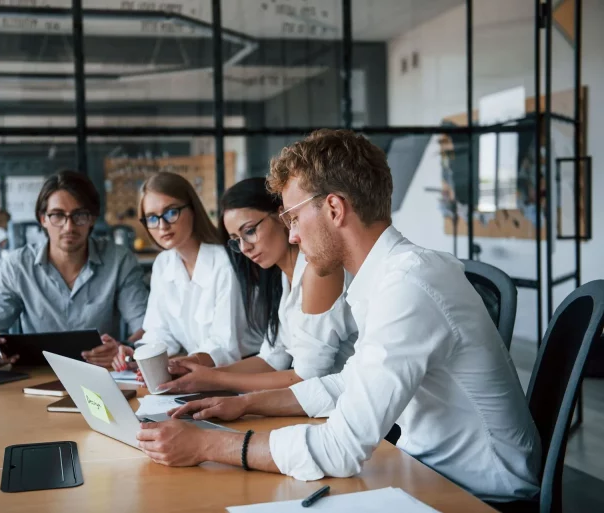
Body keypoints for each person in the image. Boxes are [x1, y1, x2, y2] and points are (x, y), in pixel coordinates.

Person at [135, 130, 541, 503]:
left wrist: (206, 446)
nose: (292, 234)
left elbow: (342, 447)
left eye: (293, 217)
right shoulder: (388, 277)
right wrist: (247, 403)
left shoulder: (409, 286)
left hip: (480, 494)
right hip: (429, 471)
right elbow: (351, 382)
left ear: (333, 208)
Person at [156, 177, 357, 394]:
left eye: (250, 231)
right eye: (236, 239)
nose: (245, 248)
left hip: (352, 409)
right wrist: (197, 371)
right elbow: (273, 358)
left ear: (283, 217)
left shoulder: (318, 271)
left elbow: (306, 378)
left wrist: (214, 379)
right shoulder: (283, 280)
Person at [0, 170, 149, 368]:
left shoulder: (118, 260)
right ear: (42, 218)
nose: (68, 226)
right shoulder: (18, 266)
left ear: (92, 218)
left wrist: (124, 350)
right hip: (34, 379)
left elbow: (147, 330)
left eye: (79, 215)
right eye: (57, 215)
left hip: (101, 376)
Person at [111, 172, 259, 373]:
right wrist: (136, 356)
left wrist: (180, 364)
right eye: (152, 218)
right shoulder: (163, 264)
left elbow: (224, 345)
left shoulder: (224, 262)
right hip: (198, 372)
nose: (162, 226)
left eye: (171, 212)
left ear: (193, 209)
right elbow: (160, 333)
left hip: (245, 371)